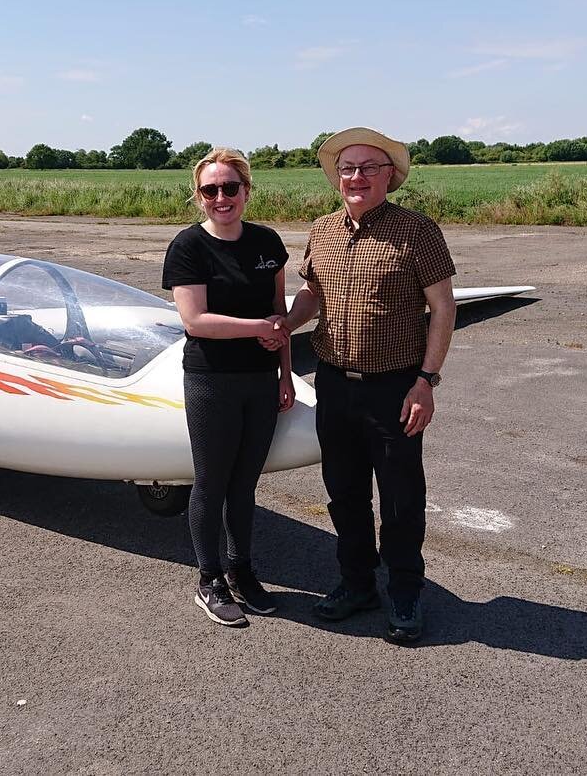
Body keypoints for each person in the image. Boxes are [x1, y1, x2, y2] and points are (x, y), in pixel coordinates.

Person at [284, 127, 457, 645]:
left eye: (367, 168)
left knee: (402, 499)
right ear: (337, 178)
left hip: (396, 387)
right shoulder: (323, 230)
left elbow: (443, 308)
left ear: (389, 177)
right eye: (347, 169)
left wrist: (426, 382)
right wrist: (283, 325)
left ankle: (404, 592)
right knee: (344, 493)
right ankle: (356, 583)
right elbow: (313, 294)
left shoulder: (417, 231)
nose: (355, 177)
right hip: (334, 384)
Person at [162, 148, 295, 628]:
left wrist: (285, 374)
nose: (222, 197)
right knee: (211, 482)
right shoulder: (188, 247)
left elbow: (280, 316)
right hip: (211, 380)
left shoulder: (267, 242)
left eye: (230, 188)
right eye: (211, 190)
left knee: (245, 484)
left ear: (246, 191)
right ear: (199, 197)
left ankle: (242, 570)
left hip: (260, 382)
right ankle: (210, 579)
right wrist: (259, 326)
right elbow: (194, 321)